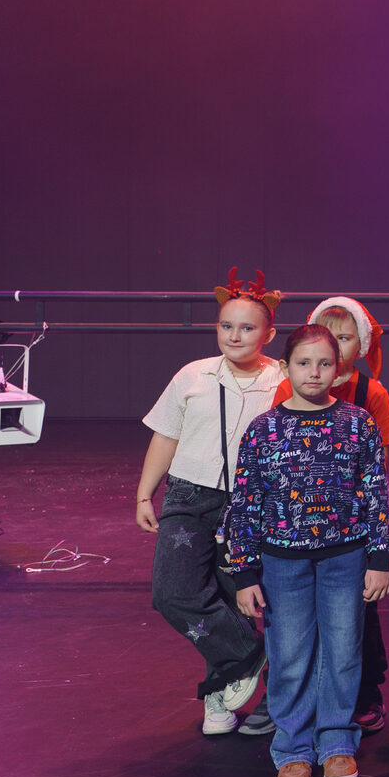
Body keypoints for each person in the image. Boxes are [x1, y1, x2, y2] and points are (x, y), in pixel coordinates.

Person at [227, 324, 389, 777]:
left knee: (342, 650)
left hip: (346, 556)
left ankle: (336, 741)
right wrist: (243, 572)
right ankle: (294, 747)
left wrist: (379, 557)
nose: (314, 372)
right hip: (282, 562)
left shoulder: (358, 423)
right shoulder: (263, 430)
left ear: (339, 370)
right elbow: (246, 500)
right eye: (304, 363)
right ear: (286, 367)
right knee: (289, 654)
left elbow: (375, 492)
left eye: (324, 363)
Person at [136, 268, 280, 736]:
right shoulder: (192, 375)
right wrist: (145, 492)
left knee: (232, 596)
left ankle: (220, 692)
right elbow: (166, 434)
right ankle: (247, 657)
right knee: (174, 593)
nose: (234, 336)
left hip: (253, 504)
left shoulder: (282, 378)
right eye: (226, 325)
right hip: (190, 495)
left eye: (247, 327)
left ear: (268, 333)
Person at [268, 297, 389, 736]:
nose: (333, 351)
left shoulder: (369, 398)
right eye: (327, 338)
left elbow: (375, 472)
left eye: (344, 339)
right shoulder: (285, 397)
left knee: (354, 624)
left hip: (347, 533)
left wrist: (376, 544)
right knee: (293, 630)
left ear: (359, 345)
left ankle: (361, 699)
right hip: (294, 534)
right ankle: (294, 714)